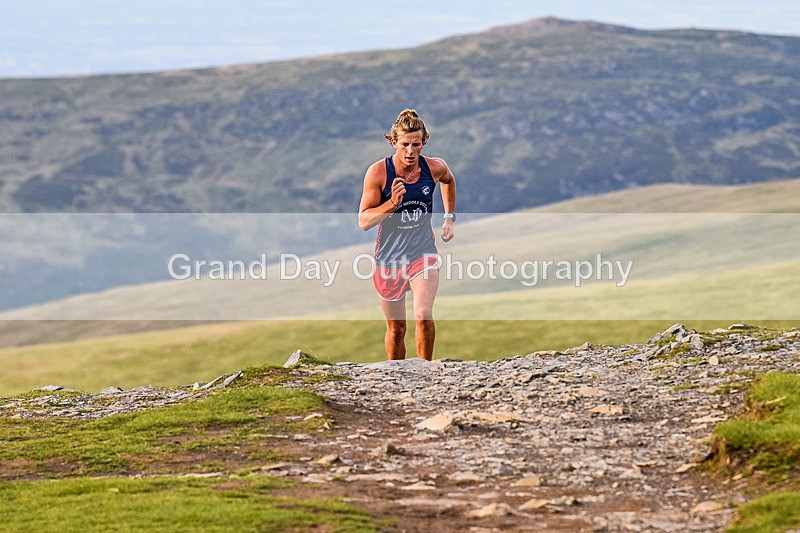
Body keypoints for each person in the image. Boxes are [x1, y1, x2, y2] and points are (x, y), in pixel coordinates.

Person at [358, 109, 456, 361]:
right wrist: (392, 203)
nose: (411, 151)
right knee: (396, 329)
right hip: (388, 260)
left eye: (416, 144)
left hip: (422, 253)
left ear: (423, 142)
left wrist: (448, 217)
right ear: (393, 142)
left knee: (423, 315)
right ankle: (396, 378)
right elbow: (364, 221)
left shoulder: (434, 167)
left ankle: (425, 375)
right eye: (404, 145)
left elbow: (448, 180)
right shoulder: (379, 172)